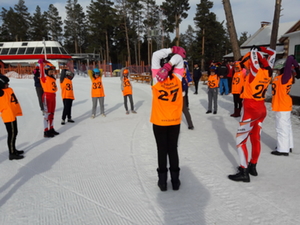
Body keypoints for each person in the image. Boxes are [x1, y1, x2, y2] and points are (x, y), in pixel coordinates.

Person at [228, 46, 276, 182]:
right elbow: (272, 53)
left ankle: (244, 170)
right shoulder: (268, 71)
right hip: (261, 108)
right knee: (255, 138)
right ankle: (253, 166)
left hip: (251, 108)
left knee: (240, 140)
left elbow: (254, 59)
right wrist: (261, 49)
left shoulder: (255, 72)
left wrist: (255, 51)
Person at [151, 46, 185, 191]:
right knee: (173, 149)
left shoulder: (156, 78)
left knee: (161, 150)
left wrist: (170, 49)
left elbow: (155, 54)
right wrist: (170, 64)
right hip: (174, 121)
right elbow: (180, 59)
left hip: (159, 121)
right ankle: (175, 181)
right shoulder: (178, 77)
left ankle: (163, 182)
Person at [271, 55, 300, 156]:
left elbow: (289, 63)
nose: (276, 71)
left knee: (281, 128)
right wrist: (295, 65)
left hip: (282, 105)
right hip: (283, 104)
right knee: (287, 126)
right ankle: (288, 145)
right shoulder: (281, 77)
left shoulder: (284, 78)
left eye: (278, 69)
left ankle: (283, 149)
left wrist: (292, 60)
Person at [0, 74, 24, 160]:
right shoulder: (1, 92)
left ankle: (13, 149)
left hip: (12, 115)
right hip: (8, 116)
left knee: (15, 133)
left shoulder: (8, 90)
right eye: (6, 83)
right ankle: (12, 153)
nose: (8, 85)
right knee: (12, 134)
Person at [38, 59, 59, 138]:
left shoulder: (52, 78)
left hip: (53, 95)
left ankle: (51, 128)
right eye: (49, 71)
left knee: (52, 113)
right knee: (47, 113)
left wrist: (46, 61)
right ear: (46, 71)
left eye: (52, 71)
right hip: (47, 96)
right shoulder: (44, 78)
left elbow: (50, 66)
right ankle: (46, 130)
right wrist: (41, 64)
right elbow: (42, 71)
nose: (51, 72)